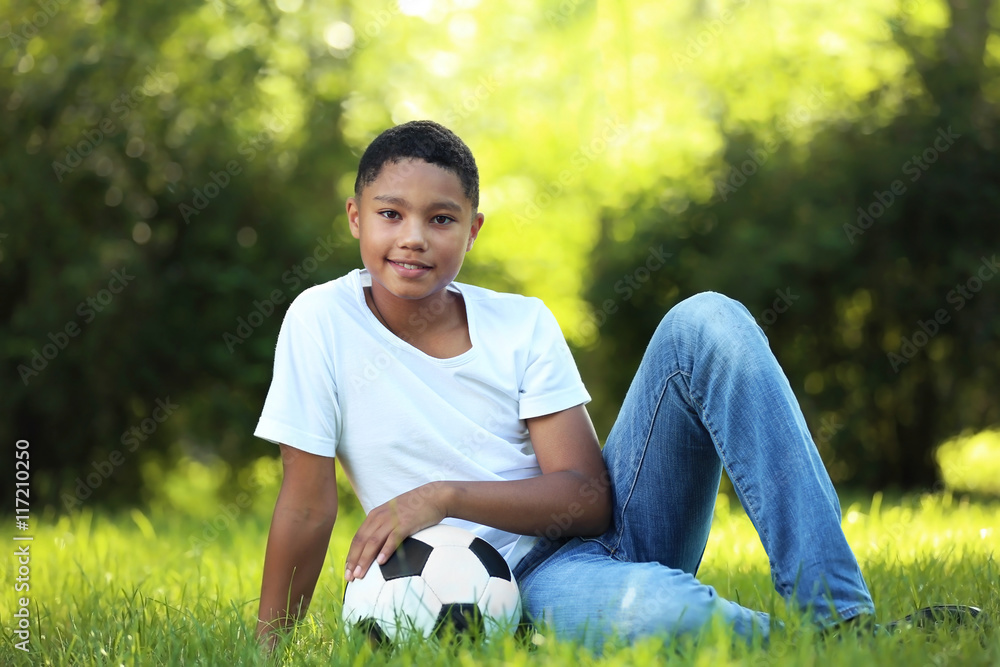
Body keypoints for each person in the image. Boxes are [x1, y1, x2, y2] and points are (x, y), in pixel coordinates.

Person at [253, 120, 981, 651]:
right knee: (663, 619)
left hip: (589, 538)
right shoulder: (321, 321)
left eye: (440, 219)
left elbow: (588, 497)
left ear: (472, 230)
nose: (413, 236)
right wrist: (267, 648)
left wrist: (443, 495)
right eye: (391, 214)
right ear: (356, 219)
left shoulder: (520, 323)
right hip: (508, 585)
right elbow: (308, 502)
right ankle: (789, 645)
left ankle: (840, 620)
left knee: (710, 321)